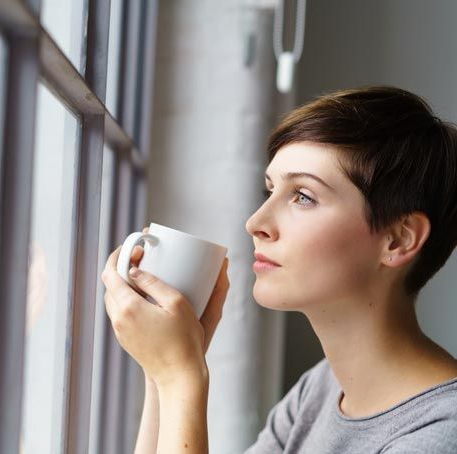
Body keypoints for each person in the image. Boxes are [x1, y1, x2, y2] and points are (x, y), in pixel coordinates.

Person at [101, 86, 457, 453]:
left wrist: (180, 376)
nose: (255, 222)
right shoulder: (319, 392)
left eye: (303, 196)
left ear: (398, 240)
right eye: (269, 190)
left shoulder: (441, 434)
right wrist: (159, 372)